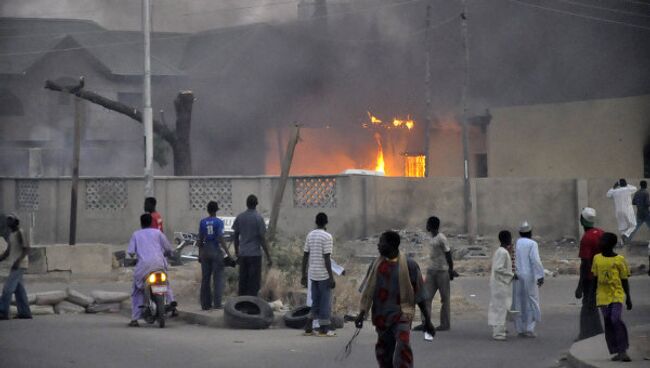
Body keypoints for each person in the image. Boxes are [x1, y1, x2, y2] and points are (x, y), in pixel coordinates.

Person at [355, 231, 435, 368]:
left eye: (381, 242)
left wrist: (427, 320)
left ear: (391, 245)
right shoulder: (375, 265)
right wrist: (361, 314)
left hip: (402, 315)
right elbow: (367, 293)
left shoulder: (410, 265)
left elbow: (420, 296)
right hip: (381, 317)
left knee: (403, 346)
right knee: (384, 353)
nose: (378, 245)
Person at [127, 213, 176, 327]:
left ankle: (134, 318)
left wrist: (131, 259)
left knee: (137, 290)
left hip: (143, 267)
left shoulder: (136, 234)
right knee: (166, 283)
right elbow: (168, 248)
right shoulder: (158, 233)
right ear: (151, 223)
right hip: (159, 264)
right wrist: (169, 253)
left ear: (141, 223)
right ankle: (171, 301)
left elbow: (130, 252)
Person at [591, 232, 633, 362]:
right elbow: (595, 278)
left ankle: (623, 350)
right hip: (602, 296)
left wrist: (628, 297)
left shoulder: (619, 260)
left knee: (615, 319)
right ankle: (616, 350)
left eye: (602, 241)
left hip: (616, 294)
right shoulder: (597, 258)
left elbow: (624, 279)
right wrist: (592, 296)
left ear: (611, 245)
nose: (600, 243)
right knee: (608, 322)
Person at [301, 213, 336, 337]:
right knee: (325, 302)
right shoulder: (327, 237)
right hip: (323, 275)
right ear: (326, 222)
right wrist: (331, 277)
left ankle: (308, 326)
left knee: (316, 301)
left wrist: (303, 275)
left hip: (312, 274)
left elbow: (305, 255)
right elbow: (327, 258)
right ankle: (323, 328)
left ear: (316, 222)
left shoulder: (310, 235)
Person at [420, 216, 456, 331]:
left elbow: (448, 254)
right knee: (426, 297)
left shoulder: (441, 238)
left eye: (427, 224)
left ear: (430, 226)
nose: (426, 226)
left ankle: (445, 324)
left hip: (442, 272)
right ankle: (425, 322)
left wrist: (450, 270)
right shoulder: (431, 238)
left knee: (445, 299)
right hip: (431, 271)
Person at [574, 207, 604, 341]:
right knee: (594, 305)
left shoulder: (586, 238)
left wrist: (580, 285)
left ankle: (584, 334)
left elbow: (585, 263)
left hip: (591, 278)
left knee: (587, 306)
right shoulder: (601, 233)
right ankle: (597, 331)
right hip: (602, 275)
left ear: (582, 220)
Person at [233, 194, 272, 296]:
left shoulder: (240, 217)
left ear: (246, 204)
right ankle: (251, 306)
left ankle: (241, 305)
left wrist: (237, 251)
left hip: (243, 254)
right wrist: (268, 256)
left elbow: (235, 236)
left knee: (243, 281)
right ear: (256, 204)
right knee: (253, 283)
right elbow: (262, 239)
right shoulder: (258, 218)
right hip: (254, 255)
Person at [512, 221, 544, 338]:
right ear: (530, 232)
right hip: (529, 276)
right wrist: (540, 275)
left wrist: (513, 271)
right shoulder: (532, 244)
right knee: (532, 300)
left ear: (520, 233)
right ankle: (529, 329)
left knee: (518, 301)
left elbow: (512, 258)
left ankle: (520, 329)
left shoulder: (516, 243)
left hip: (517, 275)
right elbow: (535, 260)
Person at [198, 201, 232, 310]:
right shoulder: (219, 222)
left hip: (205, 250)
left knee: (205, 278)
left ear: (208, 210)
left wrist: (200, 254)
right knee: (218, 278)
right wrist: (227, 252)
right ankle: (217, 303)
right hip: (215, 250)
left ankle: (205, 304)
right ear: (216, 210)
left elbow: (200, 240)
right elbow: (220, 238)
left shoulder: (202, 222)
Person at [0, 214, 32, 320]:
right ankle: (25, 313)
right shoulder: (11, 235)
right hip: (15, 265)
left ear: (16, 221)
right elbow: (8, 251)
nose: (8, 222)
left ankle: (3, 312)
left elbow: (27, 249)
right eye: (7, 220)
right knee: (20, 291)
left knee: (7, 289)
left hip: (19, 265)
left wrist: (18, 261)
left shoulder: (20, 233)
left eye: (10, 220)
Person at [488, 230, 516, 341]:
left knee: (500, 307)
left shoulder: (501, 251)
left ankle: (500, 328)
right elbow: (498, 269)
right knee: (500, 308)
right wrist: (512, 275)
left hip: (499, 283)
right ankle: (498, 333)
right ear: (508, 239)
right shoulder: (503, 253)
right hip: (500, 284)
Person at [606, 179, 637, 244]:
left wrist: (614, 187)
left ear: (618, 185)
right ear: (625, 184)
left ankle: (622, 242)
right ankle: (625, 235)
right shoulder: (628, 189)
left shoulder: (615, 191)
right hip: (628, 211)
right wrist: (627, 185)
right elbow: (635, 188)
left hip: (618, 211)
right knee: (633, 225)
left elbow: (608, 195)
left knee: (622, 227)